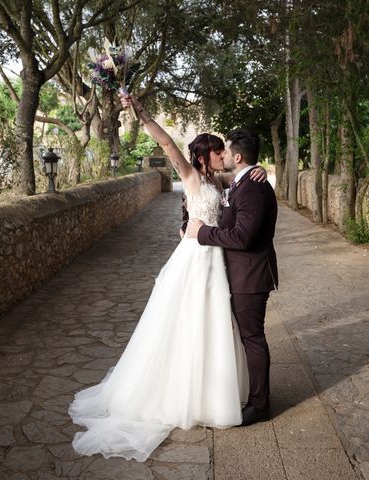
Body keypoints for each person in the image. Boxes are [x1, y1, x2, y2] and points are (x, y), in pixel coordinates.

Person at [68, 94, 266, 462]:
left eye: (226, 151)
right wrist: (139, 111)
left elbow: (243, 176)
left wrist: (261, 170)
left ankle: (211, 391)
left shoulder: (221, 180)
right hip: (193, 259)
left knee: (215, 324)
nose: (223, 154)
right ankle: (181, 393)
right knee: (185, 322)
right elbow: (166, 143)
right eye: (218, 150)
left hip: (216, 259)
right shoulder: (190, 176)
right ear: (204, 154)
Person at [187, 128, 278, 426]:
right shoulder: (242, 181)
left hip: (250, 275)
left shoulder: (252, 187)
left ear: (238, 157)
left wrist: (202, 233)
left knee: (252, 338)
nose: (223, 154)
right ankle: (249, 395)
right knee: (247, 337)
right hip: (239, 273)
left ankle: (259, 405)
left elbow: (242, 237)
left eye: (225, 150)